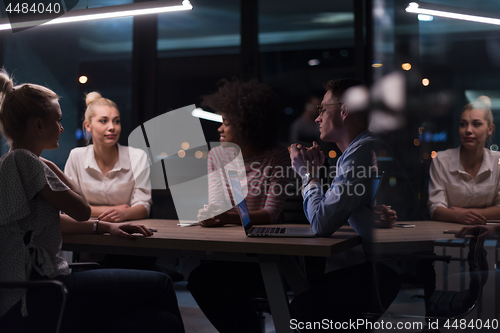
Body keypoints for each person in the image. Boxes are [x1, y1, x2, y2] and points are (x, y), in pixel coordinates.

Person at [0, 70, 184, 333]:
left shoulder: (11, 162)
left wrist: (104, 226)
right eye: (58, 120)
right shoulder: (27, 162)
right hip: (39, 292)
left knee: (158, 321)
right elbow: (82, 210)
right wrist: (53, 166)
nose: (62, 128)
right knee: (162, 284)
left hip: (33, 289)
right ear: (39, 125)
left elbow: (48, 223)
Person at [288, 78, 420, 331]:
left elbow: (321, 223)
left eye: (322, 110)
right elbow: (333, 211)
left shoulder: (362, 153)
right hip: (389, 268)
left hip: (392, 274)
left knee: (301, 308)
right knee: (306, 294)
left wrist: (308, 175)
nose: (317, 118)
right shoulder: (361, 151)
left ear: (345, 110)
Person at [188, 78, 290, 333]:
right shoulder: (217, 155)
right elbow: (217, 204)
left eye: (227, 123)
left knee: (218, 284)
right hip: (229, 252)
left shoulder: (277, 155)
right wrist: (212, 214)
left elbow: (271, 214)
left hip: (265, 254)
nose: (220, 129)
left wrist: (224, 217)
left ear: (248, 125)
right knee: (200, 281)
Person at [65, 92, 151, 223]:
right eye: (103, 121)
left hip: (127, 230)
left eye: (116, 121)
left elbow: (144, 206)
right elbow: (69, 206)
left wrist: (125, 214)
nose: (112, 127)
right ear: (88, 126)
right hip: (86, 231)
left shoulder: (137, 156)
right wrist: (118, 210)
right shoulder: (76, 156)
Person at [428, 98, 500, 225]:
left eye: (476, 124)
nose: (468, 130)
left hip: (487, 235)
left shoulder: (497, 162)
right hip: (446, 235)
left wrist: (460, 213)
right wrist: (459, 215)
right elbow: (435, 209)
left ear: (490, 129)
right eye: (463, 124)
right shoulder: (441, 160)